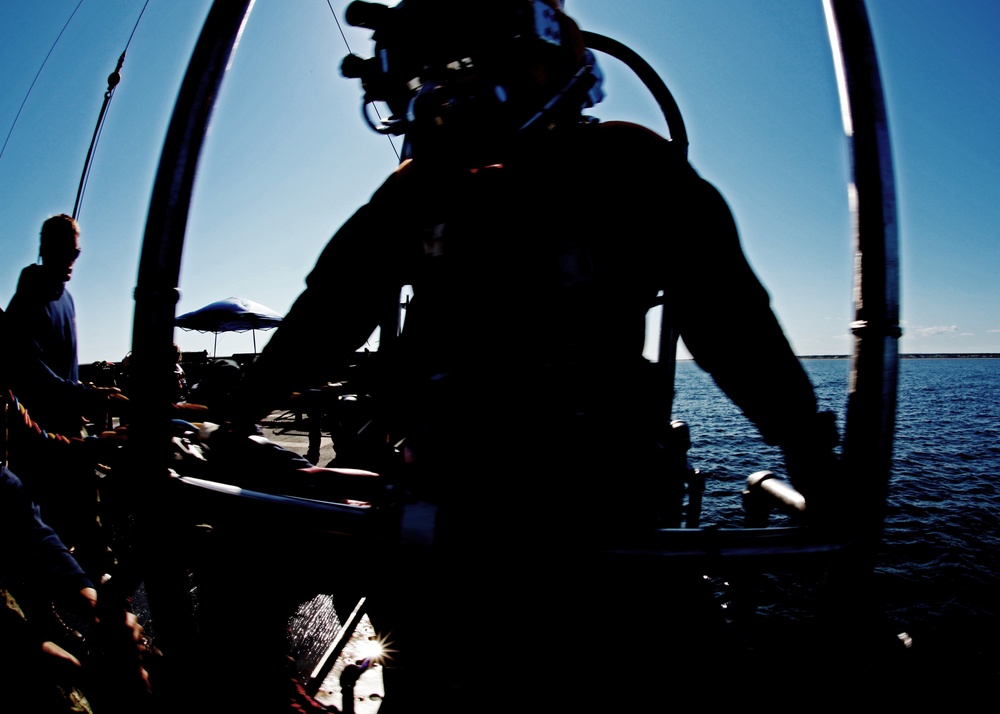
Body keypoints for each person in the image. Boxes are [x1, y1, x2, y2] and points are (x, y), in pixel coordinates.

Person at [223, 1, 840, 707]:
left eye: (465, 84)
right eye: (432, 89)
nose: (448, 112)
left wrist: (812, 459)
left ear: (535, 72)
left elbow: (733, 325)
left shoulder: (630, 169)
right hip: (447, 512)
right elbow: (327, 316)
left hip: (601, 516)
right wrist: (237, 417)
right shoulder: (420, 192)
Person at [4, 214, 122, 572]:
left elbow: (64, 371)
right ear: (43, 249)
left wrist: (84, 399)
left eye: (77, 253)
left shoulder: (66, 297)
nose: (71, 261)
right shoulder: (28, 299)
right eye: (64, 252)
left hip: (73, 435)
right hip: (39, 442)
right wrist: (89, 395)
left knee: (88, 526)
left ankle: (104, 599)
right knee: (40, 534)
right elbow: (32, 377)